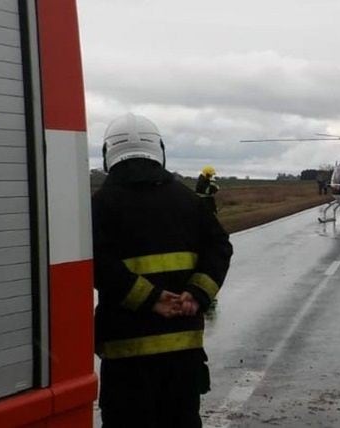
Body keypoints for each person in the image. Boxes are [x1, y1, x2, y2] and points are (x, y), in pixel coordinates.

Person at [93, 113, 233, 428]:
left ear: (108, 153)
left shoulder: (99, 206)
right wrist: (196, 295)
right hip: (184, 357)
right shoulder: (189, 201)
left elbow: (97, 263)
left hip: (125, 358)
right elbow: (220, 246)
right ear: (159, 149)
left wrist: (150, 298)